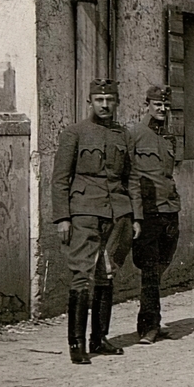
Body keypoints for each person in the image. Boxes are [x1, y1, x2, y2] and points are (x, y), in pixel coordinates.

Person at [51, 78, 141, 364]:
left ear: (117, 102)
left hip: (117, 212)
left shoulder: (123, 136)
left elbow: (133, 178)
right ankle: (77, 344)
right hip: (84, 212)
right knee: (81, 274)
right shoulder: (74, 133)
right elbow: (60, 179)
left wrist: (136, 216)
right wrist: (62, 217)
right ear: (89, 100)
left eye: (109, 100)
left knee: (107, 273)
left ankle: (99, 339)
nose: (104, 105)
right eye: (99, 100)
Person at [130, 85, 180, 344]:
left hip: (170, 209)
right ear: (146, 105)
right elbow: (129, 176)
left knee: (162, 264)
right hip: (148, 212)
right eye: (157, 104)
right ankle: (148, 326)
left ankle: (152, 319)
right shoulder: (135, 135)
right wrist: (135, 215)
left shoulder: (170, 138)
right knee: (149, 269)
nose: (162, 109)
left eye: (166, 105)